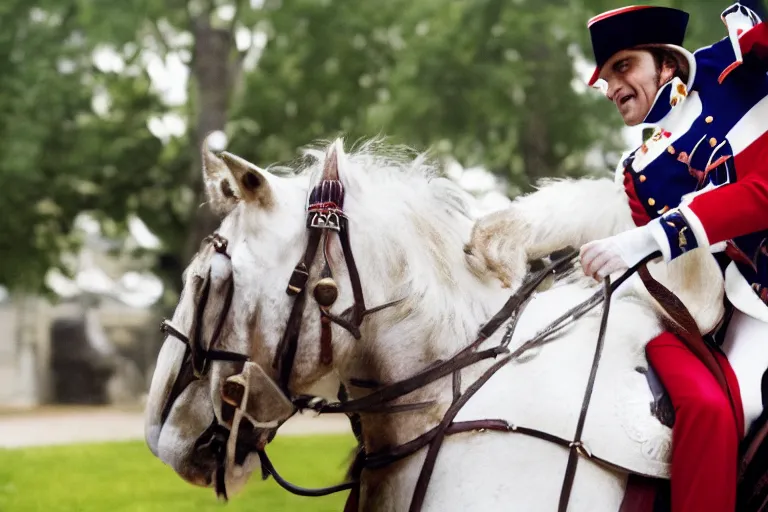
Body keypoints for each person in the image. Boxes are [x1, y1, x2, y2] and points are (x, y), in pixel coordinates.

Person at [577, 3, 768, 511]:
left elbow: (762, 193)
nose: (614, 87)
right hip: (753, 304)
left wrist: (641, 240)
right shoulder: (638, 172)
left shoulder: (735, 63)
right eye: (606, 77)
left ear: (665, 63)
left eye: (624, 66)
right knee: (737, 408)